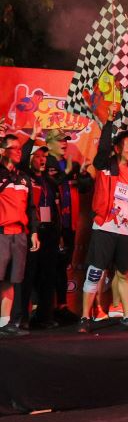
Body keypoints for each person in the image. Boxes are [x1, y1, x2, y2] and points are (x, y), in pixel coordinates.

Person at [77, 112, 128, 334]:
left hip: (127, 231)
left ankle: (126, 317)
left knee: (124, 274)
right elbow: (102, 150)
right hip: (105, 227)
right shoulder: (105, 165)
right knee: (95, 272)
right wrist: (109, 122)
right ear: (117, 148)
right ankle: (84, 317)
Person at [47, 130, 92, 322]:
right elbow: (49, 186)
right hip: (50, 225)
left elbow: (85, 188)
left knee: (63, 266)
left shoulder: (71, 164)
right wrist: (65, 174)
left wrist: (83, 173)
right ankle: (45, 310)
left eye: (65, 140)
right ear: (49, 144)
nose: (63, 143)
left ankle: (62, 306)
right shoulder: (45, 162)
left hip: (69, 225)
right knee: (49, 267)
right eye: (59, 140)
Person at [0, 136, 39, 337]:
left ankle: (7, 323)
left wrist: (34, 232)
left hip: (20, 235)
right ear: (2, 151)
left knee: (13, 280)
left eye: (20, 148)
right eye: (13, 148)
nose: (18, 151)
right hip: (2, 233)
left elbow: (31, 208)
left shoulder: (24, 178)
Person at [20, 146, 61, 329]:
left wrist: (58, 233)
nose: (42, 159)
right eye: (38, 156)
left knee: (48, 276)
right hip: (32, 232)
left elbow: (55, 209)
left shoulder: (50, 182)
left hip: (49, 233)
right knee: (28, 276)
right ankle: (22, 317)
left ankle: (45, 316)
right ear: (30, 158)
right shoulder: (24, 178)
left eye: (44, 156)